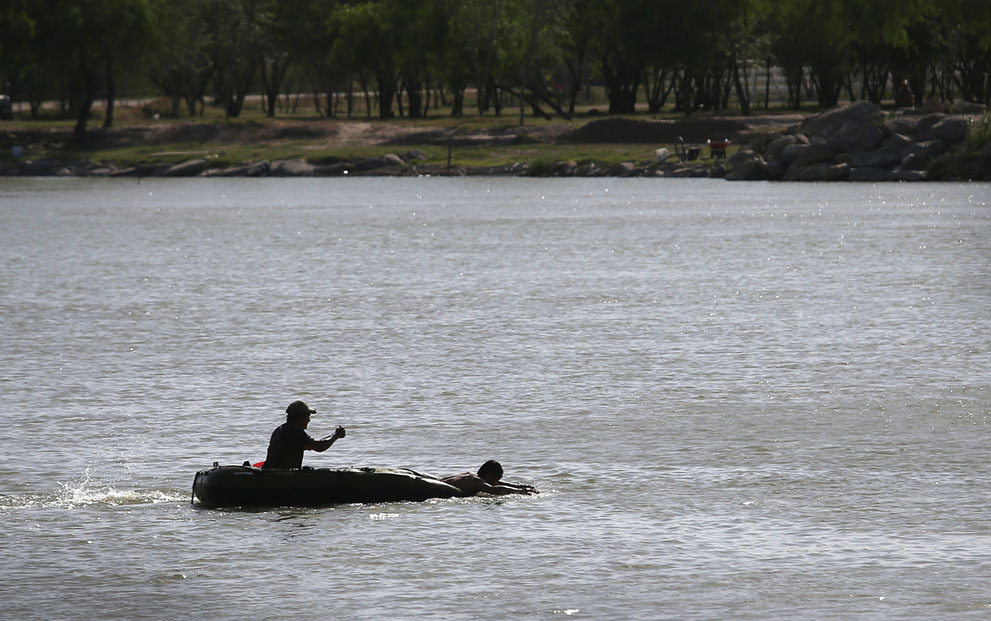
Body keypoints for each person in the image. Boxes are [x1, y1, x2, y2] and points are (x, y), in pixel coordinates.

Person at [262, 400, 345, 469]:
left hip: (271, 472)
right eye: (308, 416)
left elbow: (315, 443)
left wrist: (334, 435)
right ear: (300, 417)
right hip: (282, 476)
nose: (309, 420)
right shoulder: (293, 431)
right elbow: (319, 447)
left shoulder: (280, 429)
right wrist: (335, 436)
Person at [441, 460, 538, 496]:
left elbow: (501, 484)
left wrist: (521, 487)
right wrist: (521, 492)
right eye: (497, 478)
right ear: (489, 475)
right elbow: (494, 489)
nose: (498, 481)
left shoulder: (472, 475)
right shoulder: (477, 481)